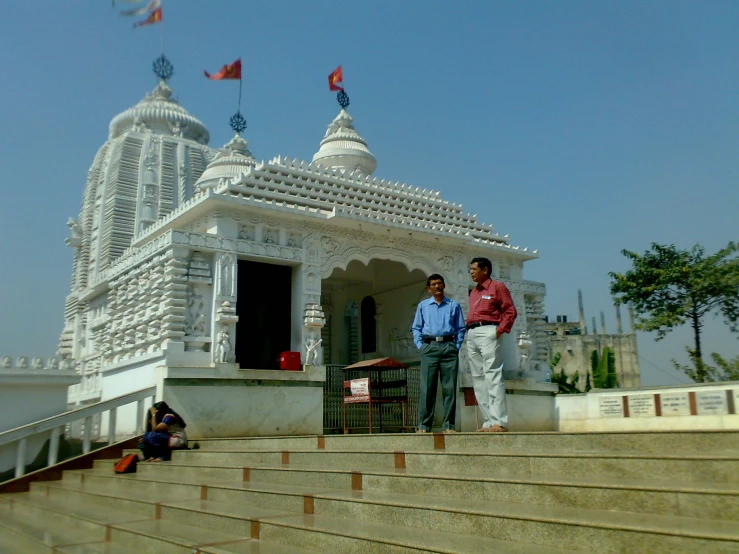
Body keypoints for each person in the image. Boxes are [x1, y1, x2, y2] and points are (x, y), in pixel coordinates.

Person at [467, 257, 517, 432]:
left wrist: (498, 331)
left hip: (489, 330)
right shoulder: (473, 292)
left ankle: (500, 421)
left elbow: (510, 311)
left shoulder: (497, 287)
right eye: (470, 269)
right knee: (479, 379)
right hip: (472, 333)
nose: (471, 272)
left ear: (485, 270)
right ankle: (488, 421)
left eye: (474, 269)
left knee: (493, 376)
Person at [411, 274, 466, 434]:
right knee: (427, 388)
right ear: (429, 288)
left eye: (439, 283)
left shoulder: (453, 305)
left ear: (444, 285)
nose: (437, 286)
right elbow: (416, 327)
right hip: (430, 347)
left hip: (449, 347)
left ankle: (449, 425)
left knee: (449, 388)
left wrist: (456, 346)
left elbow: (461, 328)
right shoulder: (423, 306)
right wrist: (421, 346)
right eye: (433, 284)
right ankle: (424, 425)